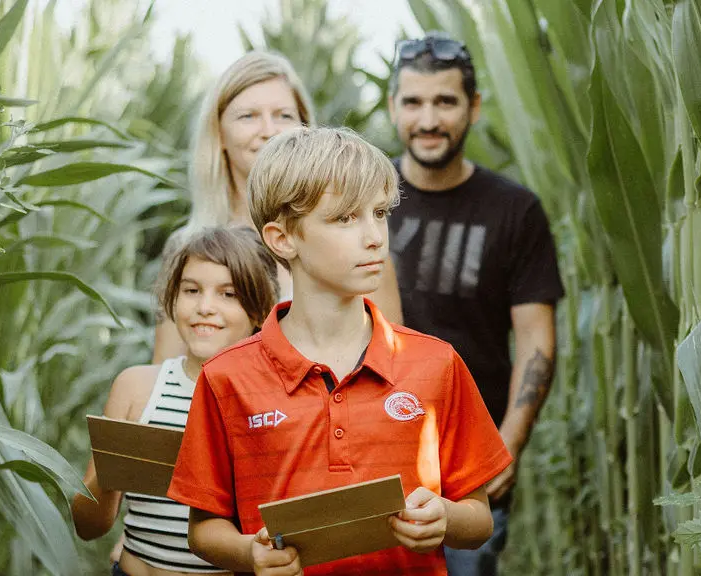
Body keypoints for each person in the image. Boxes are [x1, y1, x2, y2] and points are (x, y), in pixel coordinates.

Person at [166, 126, 513, 575]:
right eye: (345, 218)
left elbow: (479, 517)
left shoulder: (436, 363)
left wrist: (445, 518)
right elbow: (203, 527)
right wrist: (249, 554)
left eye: (379, 213)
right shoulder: (226, 377)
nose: (374, 237)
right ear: (282, 239)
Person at [386, 32, 565, 575]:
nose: (428, 119)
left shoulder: (514, 210)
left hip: (470, 465)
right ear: (393, 106)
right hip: (376, 457)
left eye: (445, 101)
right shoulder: (364, 198)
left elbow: (536, 337)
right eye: (413, 102)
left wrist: (507, 446)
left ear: (474, 107)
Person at [153, 51, 402, 363]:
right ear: (219, 135)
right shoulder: (187, 247)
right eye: (248, 116)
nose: (269, 130)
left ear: (305, 128)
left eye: (284, 115)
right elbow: (165, 371)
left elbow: (395, 368)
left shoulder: (360, 249)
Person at [71, 226, 280, 576]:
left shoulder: (272, 402)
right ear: (173, 299)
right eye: (191, 290)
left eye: (228, 294)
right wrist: (113, 471)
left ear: (259, 311)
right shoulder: (136, 387)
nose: (205, 307)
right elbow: (87, 526)